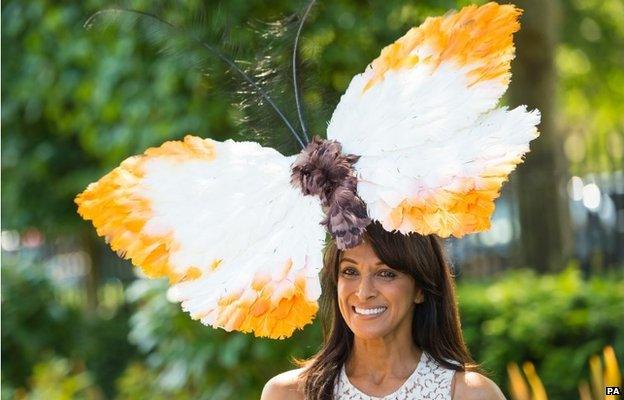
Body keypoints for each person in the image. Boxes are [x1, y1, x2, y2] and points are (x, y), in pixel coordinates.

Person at [261, 222, 505, 399]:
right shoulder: (289, 394)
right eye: (350, 271)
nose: (363, 292)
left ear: (420, 289)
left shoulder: (470, 394)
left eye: (386, 273)